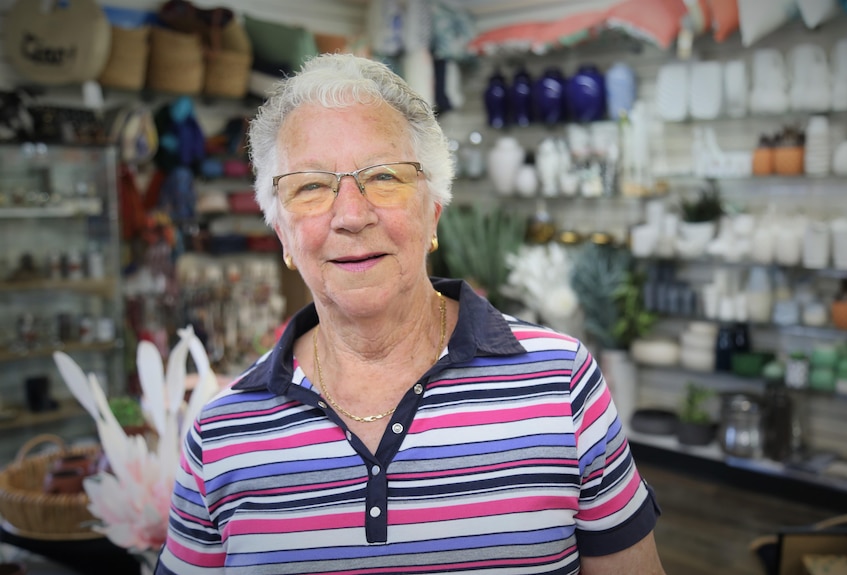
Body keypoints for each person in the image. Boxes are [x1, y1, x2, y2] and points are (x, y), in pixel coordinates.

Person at [154, 53, 666, 575]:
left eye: (384, 177)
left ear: (433, 213)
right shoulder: (223, 432)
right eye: (310, 186)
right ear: (283, 234)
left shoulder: (560, 383)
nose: (352, 215)